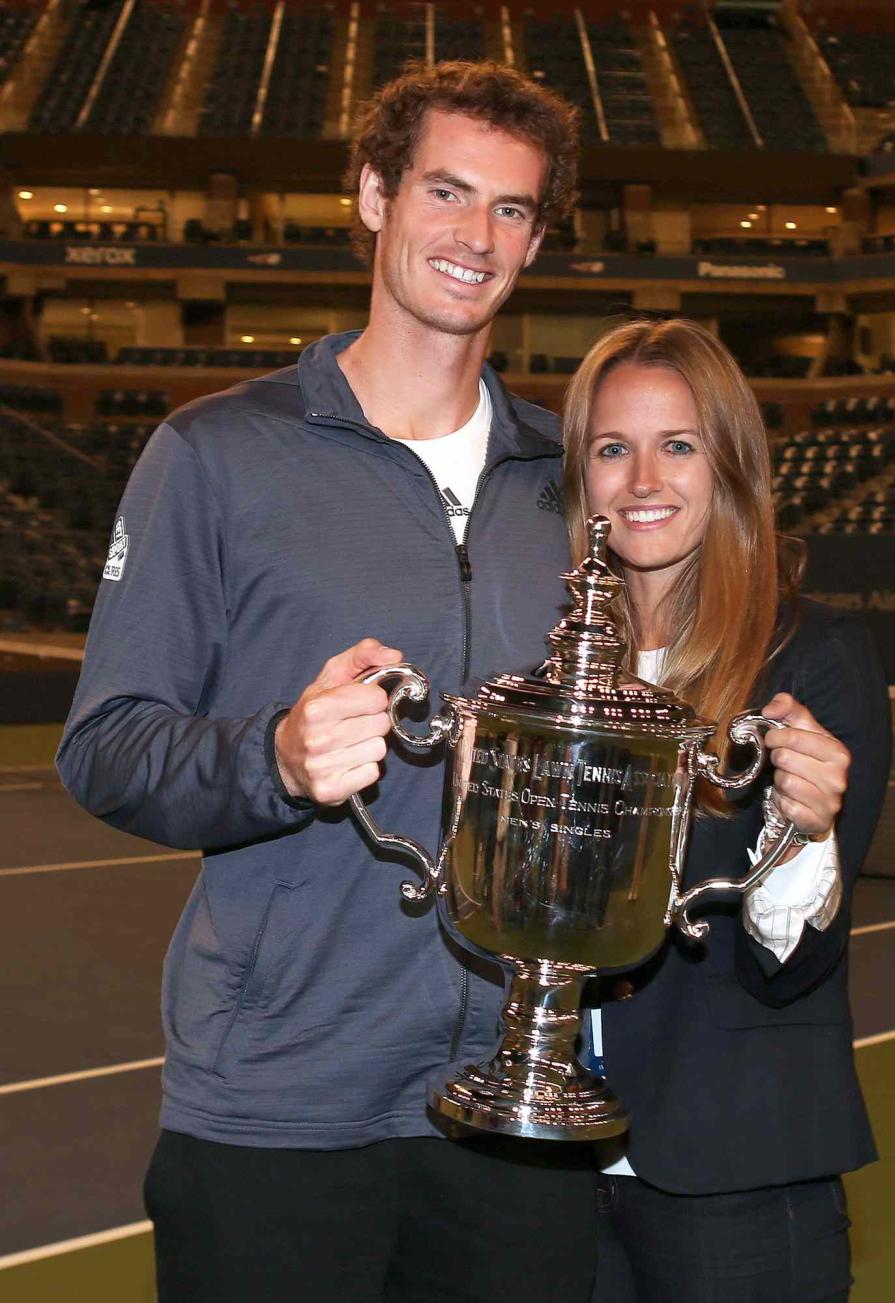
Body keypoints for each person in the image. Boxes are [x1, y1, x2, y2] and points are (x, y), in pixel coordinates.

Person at [57, 62, 596, 1303]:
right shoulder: (216, 452)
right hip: (277, 1107)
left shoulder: (565, 487)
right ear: (371, 195)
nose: (477, 236)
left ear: (537, 240)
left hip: (512, 1112)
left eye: (513, 209)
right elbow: (107, 744)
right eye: (447, 192)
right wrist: (277, 759)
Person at [560, 317, 891, 1302]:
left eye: (680, 445)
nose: (642, 478)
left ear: (732, 467)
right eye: (613, 448)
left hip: (735, 1173)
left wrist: (805, 832)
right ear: (581, 477)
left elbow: (789, 967)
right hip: (558, 1176)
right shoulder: (559, 671)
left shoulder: (813, 655)